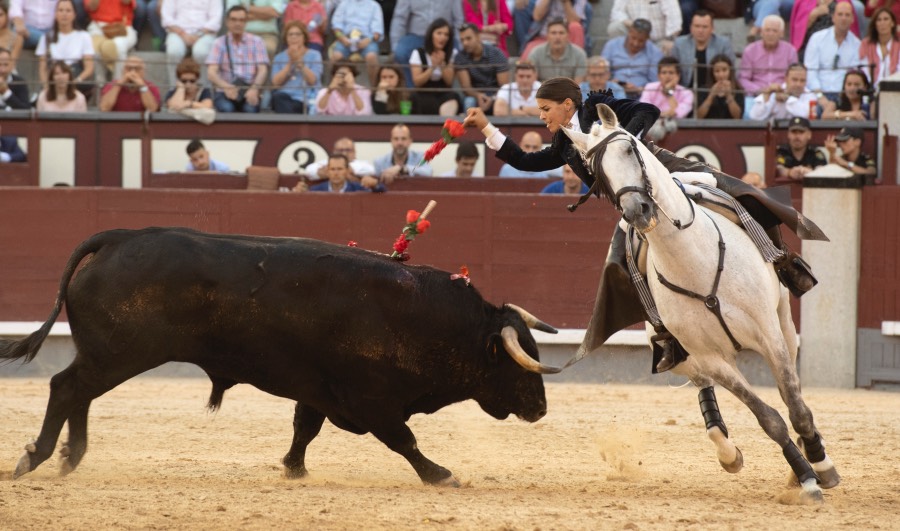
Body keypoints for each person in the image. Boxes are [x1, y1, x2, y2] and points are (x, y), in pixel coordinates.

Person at [464, 77, 821, 373]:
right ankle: (665, 334)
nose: (541, 116)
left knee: (738, 194)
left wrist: (623, 140)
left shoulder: (596, 109)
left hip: (666, 173)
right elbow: (525, 161)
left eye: (545, 109)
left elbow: (648, 110)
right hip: (634, 206)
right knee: (622, 265)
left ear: (567, 105)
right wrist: (486, 128)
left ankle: (783, 261)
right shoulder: (565, 143)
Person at [206, 5, 269, 113]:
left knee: (250, 110)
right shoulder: (219, 43)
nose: (237, 23)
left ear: (246, 22)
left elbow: (263, 70)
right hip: (224, 90)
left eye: (241, 20)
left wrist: (254, 89)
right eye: (233, 20)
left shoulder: (257, 41)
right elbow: (211, 73)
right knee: (227, 108)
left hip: (248, 89)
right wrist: (226, 86)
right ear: (227, 22)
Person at [389, 0, 464, 87]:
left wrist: (460, 44)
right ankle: (411, 89)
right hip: (416, 36)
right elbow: (399, 19)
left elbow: (458, 20)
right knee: (400, 52)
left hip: (444, 36)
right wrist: (395, 45)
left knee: (458, 55)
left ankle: (450, 89)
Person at [36, 0, 95, 98]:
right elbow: (42, 68)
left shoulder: (84, 36)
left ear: (74, 14)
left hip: (76, 81)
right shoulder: (46, 37)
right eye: (61, 10)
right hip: (53, 81)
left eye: (68, 11)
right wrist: (46, 86)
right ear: (55, 14)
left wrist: (75, 82)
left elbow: (89, 68)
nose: (64, 14)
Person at [804, 1, 863, 96]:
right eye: (840, 14)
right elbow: (810, 72)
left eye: (847, 15)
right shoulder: (817, 39)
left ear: (852, 19)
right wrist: (820, 96)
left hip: (844, 96)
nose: (843, 18)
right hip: (817, 94)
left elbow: (854, 75)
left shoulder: (857, 45)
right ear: (833, 18)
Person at [161, 0, 222, 89]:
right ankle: (174, 88)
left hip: (205, 33)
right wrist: (182, 34)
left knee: (201, 52)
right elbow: (167, 16)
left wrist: (198, 35)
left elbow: (216, 19)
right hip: (178, 31)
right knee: (173, 51)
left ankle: (204, 90)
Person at [672, 10, 735, 91]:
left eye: (705, 27)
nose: (700, 31)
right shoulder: (679, 43)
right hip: (685, 91)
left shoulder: (724, 44)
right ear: (691, 28)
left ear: (712, 29)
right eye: (697, 26)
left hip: (716, 90)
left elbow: (731, 71)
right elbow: (673, 70)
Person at [738, 15, 799, 97]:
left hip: (782, 94)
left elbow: (794, 77)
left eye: (775, 31)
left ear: (782, 34)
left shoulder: (790, 51)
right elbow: (743, 78)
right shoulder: (750, 50)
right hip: (756, 95)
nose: (771, 34)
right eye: (767, 30)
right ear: (761, 33)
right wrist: (759, 90)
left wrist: (781, 89)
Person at [455, 23, 510, 114]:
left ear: (478, 37)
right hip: (475, 95)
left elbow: (504, 86)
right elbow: (466, 87)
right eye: (462, 40)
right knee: (469, 102)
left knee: (501, 103)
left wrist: (492, 98)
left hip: (496, 95)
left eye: (468, 38)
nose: (465, 43)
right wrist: (478, 95)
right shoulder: (461, 57)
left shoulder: (496, 54)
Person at [409, 18, 459, 116]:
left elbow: (449, 81)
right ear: (431, 35)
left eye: (446, 35)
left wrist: (442, 64)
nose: (443, 37)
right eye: (439, 33)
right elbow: (417, 82)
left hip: (443, 91)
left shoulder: (452, 53)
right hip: (423, 91)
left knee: (452, 98)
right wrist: (432, 67)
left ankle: (445, 124)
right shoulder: (418, 53)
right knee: (421, 100)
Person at [602, 18, 663, 99]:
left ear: (647, 38)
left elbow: (655, 83)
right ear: (629, 32)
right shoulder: (612, 46)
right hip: (613, 93)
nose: (635, 43)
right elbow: (602, 72)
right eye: (633, 38)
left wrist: (639, 89)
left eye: (641, 41)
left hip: (641, 97)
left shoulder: (655, 52)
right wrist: (612, 83)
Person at [270, 21, 322, 114]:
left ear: (304, 37)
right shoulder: (279, 57)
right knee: (278, 97)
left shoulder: (315, 55)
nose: (294, 37)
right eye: (290, 34)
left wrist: (299, 62)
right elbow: (275, 83)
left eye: (298, 34)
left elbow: (313, 80)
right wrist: (290, 63)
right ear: (286, 38)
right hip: (283, 97)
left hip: (304, 99)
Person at [329, 0, 383, 86]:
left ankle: (374, 88)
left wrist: (367, 40)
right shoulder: (344, 4)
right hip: (346, 38)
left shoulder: (374, 6)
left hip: (367, 39)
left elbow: (377, 33)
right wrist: (342, 38)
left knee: (371, 57)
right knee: (336, 56)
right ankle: (333, 87)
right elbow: (336, 27)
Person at [640, 56, 693, 140]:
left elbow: (678, 114)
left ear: (678, 76)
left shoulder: (687, 93)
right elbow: (645, 110)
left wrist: (669, 93)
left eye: (671, 73)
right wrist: (666, 114)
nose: (667, 76)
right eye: (664, 73)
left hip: (677, 133)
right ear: (658, 76)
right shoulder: (649, 87)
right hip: (651, 128)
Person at [85, 0, 138, 81]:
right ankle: (100, 84)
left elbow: (126, 1)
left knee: (118, 47)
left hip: (122, 27)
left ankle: (117, 83)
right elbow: (92, 6)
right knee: (96, 49)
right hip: (98, 27)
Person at [606, 0, 682, 55]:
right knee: (614, 28)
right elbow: (616, 12)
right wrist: (632, 24)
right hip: (634, 37)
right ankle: (622, 58)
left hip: (658, 41)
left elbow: (675, 20)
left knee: (669, 48)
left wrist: (669, 40)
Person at [520, 0, 587, 61]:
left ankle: (575, 61)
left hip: (567, 38)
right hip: (544, 37)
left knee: (576, 27)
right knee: (526, 61)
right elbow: (537, 17)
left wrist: (565, 2)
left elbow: (574, 20)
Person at [749, 63, 819, 120]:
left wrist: (787, 98)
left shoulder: (810, 95)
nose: (798, 84)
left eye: (802, 80)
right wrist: (766, 96)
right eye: (795, 80)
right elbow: (754, 116)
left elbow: (806, 115)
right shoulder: (775, 92)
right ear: (786, 79)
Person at [304, 137, 381, 189]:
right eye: (340, 150)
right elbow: (308, 170)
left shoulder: (361, 164)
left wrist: (350, 169)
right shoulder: (326, 162)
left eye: (348, 150)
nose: (344, 153)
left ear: (354, 152)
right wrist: (320, 173)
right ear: (334, 151)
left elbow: (372, 170)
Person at [528, 18, 587, 83]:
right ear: (547, 36)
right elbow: (532, 83)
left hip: (569, 89)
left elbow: (578, 84)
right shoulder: (536, 53)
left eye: (561, 33)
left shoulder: (579, 55)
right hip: (542, 89)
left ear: (568, 36)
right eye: (553, 33)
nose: (557, 37)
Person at [775, 116, 827, 182]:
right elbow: (778, 169)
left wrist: (810, 173)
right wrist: (789, 172)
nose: (797, 136)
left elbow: (822, 171)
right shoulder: (781, 152)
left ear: (809, 135)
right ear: (788, 134)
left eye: (801, 132)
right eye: (794, 132)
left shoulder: (815, 153)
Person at [300, 153, 386, 192]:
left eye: (340, 169)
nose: (336, 173)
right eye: (333, 169)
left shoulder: (356, 188)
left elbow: (382, 190)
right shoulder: (316, 190)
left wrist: (375, 184)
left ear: (347, 170)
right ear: (327, 171)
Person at [858, 7, 899, 88]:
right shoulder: (866, 44)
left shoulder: (898, 44)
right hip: (871, 89)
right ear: (875, 24)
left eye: (886, 19)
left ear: (892, 23)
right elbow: (864, 69)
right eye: (879, 20)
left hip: (895, 88)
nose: (882, 23)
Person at [696, 54, 744, 119]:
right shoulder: (703, 90)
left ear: (730, 71)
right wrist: (711, 96)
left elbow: (738, 117)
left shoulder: (738, 90)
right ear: (712, 73)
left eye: (724, 70)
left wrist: (729, 95)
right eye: (717, 71)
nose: (721, 75)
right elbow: (698, 116)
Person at [498, 130, 562, 177]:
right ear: (520, 146)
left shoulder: (549, 168)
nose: (530, 151)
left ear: (541, 148)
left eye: (535, 147)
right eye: (527, 146)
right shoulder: (507, 169)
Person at [0, 3, 23, 72]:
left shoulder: (17, 38)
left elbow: (11, 64)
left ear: (7, 16)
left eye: (0, 15)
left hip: (6, 73)